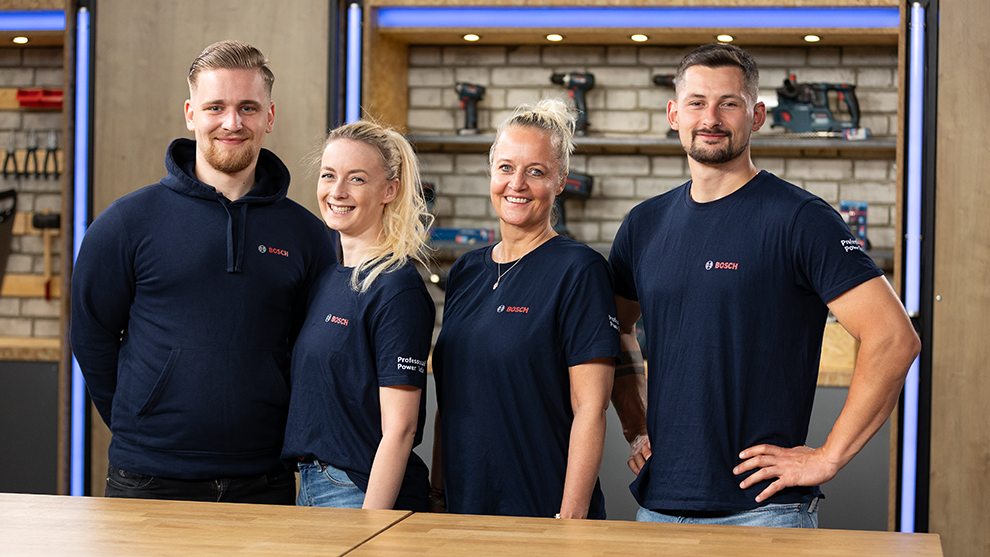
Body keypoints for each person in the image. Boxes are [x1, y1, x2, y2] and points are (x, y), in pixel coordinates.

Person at [608, 43, 921, 527]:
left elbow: (895, 337)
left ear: (756, 115)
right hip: (659, 506)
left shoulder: (800, 219)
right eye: (696, 102)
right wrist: (636, 425)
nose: (710, 117)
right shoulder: (643, 224)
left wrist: (827, 456)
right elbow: (617, 329)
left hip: (764, 512)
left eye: (728, 103)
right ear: (674, 113)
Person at [70, 40, 335, 504]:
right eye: (217, 107)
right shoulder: (128, 222)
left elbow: (312, 349)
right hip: (148, 478)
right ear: (192, 114)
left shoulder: (309, 235)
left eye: (248, 108)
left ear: (269, 117)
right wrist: (140, 420)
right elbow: (91, 333)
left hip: (264, 476)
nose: (232, 123)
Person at [431, 98, 620, 519]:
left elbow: (591, 409)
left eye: (535, 171)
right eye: (506, 167)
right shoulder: (466, 271)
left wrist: (570, 520)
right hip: (464, 510)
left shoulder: (579, 270)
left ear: (560, 181)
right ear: (491, 173)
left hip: (542, 510)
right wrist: (437, 492)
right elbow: (454, 398)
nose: (516, 183)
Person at [281, 121, 435, 511]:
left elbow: (401, 429)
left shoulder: (396, 287)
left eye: (357, 179)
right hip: (313, 486)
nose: (337, 192)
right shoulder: (328, 279)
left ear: (390, 190)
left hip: (358, 491)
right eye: (329, 175)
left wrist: (371, 527)